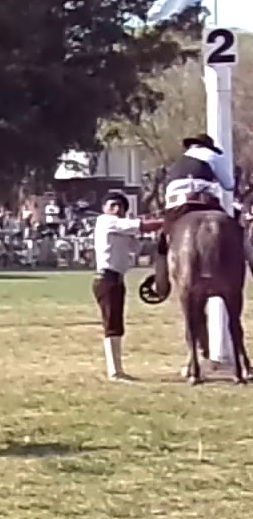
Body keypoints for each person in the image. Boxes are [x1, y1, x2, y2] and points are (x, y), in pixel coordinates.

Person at [149, 133, 237, 299]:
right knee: (236, 233)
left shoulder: (177, 163)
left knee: (163, 241)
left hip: (176, 206)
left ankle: (160, 285)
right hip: (206, 201)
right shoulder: (213, 155)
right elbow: (229, 185)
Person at [92, 190, 164, 380]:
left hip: (116, 279)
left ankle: (117, 369)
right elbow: (142, 226)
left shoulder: (121, 229)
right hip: (106, 278)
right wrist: (167, 221)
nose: (116, 209)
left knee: (116, 323)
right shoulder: (105, 221)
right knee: (112, 323)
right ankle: (114, 371)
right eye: (112, 205)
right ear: (104, 209)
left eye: (120, 206)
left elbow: (138, 248)